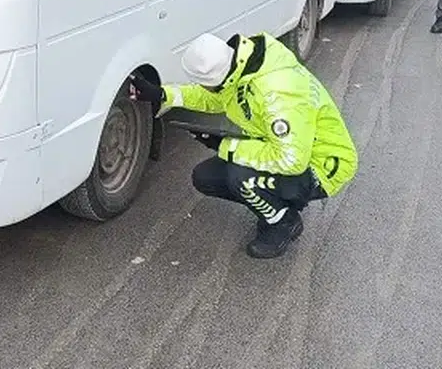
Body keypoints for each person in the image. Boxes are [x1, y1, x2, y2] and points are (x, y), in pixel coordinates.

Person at [128, 31, 358, 258]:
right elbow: (215, 98)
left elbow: (291, 160)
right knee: (206, 176)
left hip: (323, 166)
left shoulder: (277, 95)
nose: (202, 87)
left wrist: (226, 147)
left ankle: (284, 222)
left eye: (204, 84)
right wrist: (162, 94)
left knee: (241, 178)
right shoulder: (243, 66)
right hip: (289, 148)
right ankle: (278, 203)